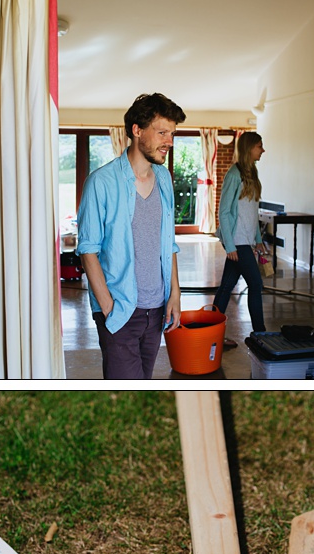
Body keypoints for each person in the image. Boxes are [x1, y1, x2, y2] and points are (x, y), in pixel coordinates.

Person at [78, 93, 186, 379]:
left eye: (172, 134)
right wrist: (109, 308)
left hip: (157, 309)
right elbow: (88, 250)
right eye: (162, 132)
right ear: (137, 130)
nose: (170, 142)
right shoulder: (101, 182)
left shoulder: (164, 179)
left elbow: (168, 242)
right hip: (121, 309)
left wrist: (174, 293)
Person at [211, 132, 268, 340]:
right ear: (249, 148)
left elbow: (251, 211)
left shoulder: (252, 173)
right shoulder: (234, 174)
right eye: (259, 146)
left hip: (246, 240)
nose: (262, 150)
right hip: (237, 241)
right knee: (255, 284)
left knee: (226, 287)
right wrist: (230, 245)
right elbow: (224, 211)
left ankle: (210, 331)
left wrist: (259, 239)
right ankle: (260, 333)